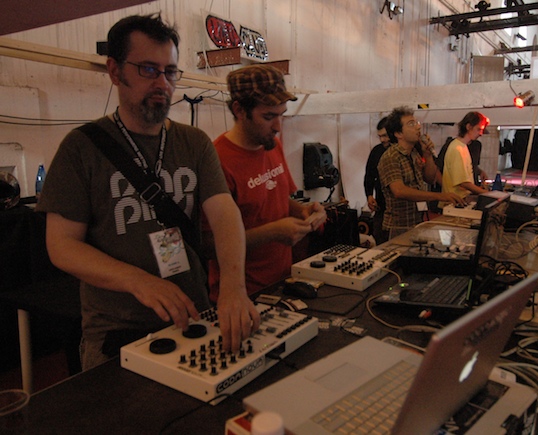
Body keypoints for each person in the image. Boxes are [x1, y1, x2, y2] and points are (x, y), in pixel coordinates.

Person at [36, 14, 260, 371]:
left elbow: (224, 213)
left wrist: (234, 286)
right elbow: (61, 245)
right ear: (114, 71)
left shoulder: (194, 143)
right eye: (148, 69)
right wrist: (137, 281)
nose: (162, 83)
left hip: (193, 318)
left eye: (170, 72)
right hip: (118, 332)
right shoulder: (81, 148)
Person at [204, 64, 327, 300]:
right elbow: (209, 244)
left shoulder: (272, 145)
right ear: (240, 110)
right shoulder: (217, 160)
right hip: (241, 294)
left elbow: (277, 199)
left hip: (281, 282)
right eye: (268, 117)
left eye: (281, 114)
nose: (278, 127)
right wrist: (272, 233)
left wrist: (305, 211)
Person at [378, 106, 464, 240]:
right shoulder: (391, 157)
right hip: (397, 228)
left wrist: (427, 155)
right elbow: (399, 191)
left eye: (417, 123)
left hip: (415, 224)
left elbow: (429, 178)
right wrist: (439, 196)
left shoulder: (414, 153)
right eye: (411, 124)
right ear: (398, 134)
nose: (418, 127)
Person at [440, 112, 490, 205]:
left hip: (460, 200)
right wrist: (487, 193)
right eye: (478, 129)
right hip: (454, 202)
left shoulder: (462, 146)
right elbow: (463, 183)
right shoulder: (457, 149)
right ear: (468, 127)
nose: (481, 133)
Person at [363, 116, 390, 245]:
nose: (382, 139)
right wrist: (369, 195)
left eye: (385, 135)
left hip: (399, 209)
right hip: (381, 207)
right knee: (380, 240)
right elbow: (369, 175)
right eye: (380, 136)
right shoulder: (377, 151)